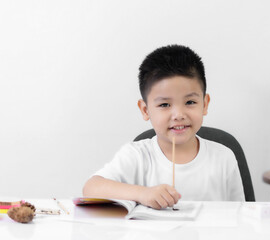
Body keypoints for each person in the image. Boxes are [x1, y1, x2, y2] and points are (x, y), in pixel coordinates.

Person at [83, 45, 245, 209]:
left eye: (190, 102)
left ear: (205, 104)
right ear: (145, 110)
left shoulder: (224, 158)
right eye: (165, 104)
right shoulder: (137, 156)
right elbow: (90, 188)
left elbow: (241, 215)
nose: (178, 114)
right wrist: (142, 193)